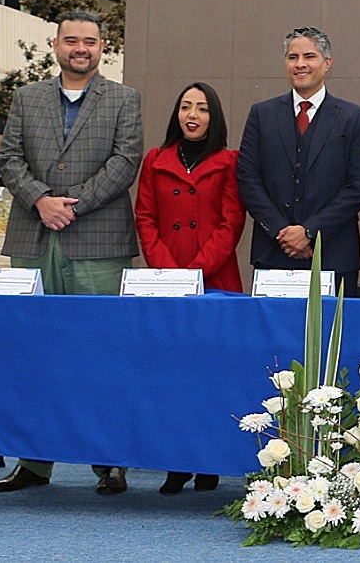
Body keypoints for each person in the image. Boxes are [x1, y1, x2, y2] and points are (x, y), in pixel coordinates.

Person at [0, 10, 141, 495]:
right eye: (71, 40)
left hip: (97, 241)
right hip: (34, 239)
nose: (81, 48)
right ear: (55, 45)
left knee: (102, 351)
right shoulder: (26, 97)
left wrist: (70, 206)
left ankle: (110, 460)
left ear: (103, 48)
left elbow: (126, 160)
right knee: (33, 353)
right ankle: (34, 464)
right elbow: (7, 158)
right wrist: (39, 200)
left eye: (90, 41)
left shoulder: (123, 99)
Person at [134, 82, 245, 495]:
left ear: (213, 116)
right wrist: (169, 271)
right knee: (171, 375)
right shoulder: (155, 160)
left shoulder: (229, 161)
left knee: (213, 373)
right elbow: (145, 216)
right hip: (166, 282)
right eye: (185, 107)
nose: (192, 114)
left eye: (201, 108)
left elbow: (231, 222)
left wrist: (196, 272)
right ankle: (176, 462)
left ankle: (210, 461)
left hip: (215, 280)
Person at [237, 27, 360, 295]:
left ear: (327, 63)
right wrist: (282, 231)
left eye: (309, 56)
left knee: (331, 335)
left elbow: (359, 185)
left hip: (334, 255)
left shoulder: (353, 117)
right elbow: (248, 178)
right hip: (273, 251)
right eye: (292, 57)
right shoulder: (261, 114)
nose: (300, 64)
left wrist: (310, 231)